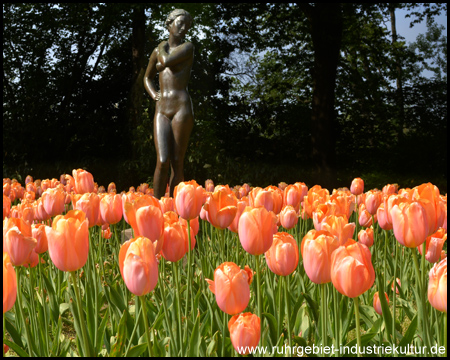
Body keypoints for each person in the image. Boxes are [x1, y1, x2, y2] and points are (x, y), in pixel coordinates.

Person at [144, 9, 194, 199]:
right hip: (162, 109)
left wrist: (160, 48)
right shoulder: (158, 51)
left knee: (176, 162)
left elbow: (165, 61)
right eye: (180, 23)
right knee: (162, 160)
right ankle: (156, 209)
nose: (183, 28)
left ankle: (175, 211)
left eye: (186, 26)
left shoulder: (187, 47)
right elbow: (147, 78)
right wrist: (154, 94)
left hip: (181, 108)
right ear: (169, 23)